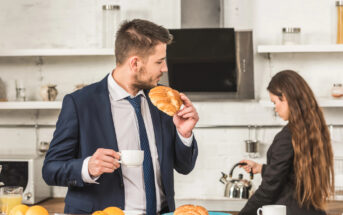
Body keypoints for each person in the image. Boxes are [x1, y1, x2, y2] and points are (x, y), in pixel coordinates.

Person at [42, 19, 199, 215]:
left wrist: (184, 134)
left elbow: (184, 167)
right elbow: (50, 169)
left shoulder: (162, 100)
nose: (165, 68)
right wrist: (87, 167)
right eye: (159, 61)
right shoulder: (81, 103)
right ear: (135, 63)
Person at [239, 70, 334, 215]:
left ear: (286, 97)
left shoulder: (287, 136)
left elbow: (269, 189)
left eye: (275, 102)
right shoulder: (315, 129)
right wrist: (261, 168)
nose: (275, 108)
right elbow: (293, 176)